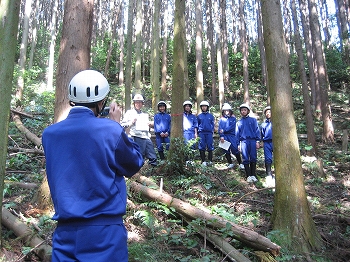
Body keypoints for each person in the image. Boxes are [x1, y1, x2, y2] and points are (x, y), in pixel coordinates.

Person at [42, 70, 144, 262]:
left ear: (72, 99)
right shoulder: (110, 130)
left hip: (65, 232)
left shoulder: (50, 134)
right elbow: (133, 163)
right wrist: (118, 125)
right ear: (101, 103)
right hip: (104, 232)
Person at [121, 94, 158, 167]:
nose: (138, 104)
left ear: (142, 103)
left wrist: (150, 124)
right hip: (136, 136)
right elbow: (123, 125)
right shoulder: (129, 113)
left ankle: (153, 171)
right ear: (134, 103)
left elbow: (148, 126)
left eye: (140, 102)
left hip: (146, 136)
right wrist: (131, 122)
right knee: (140, 155)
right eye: (136, 102)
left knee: (152, 155)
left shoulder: (144, 114)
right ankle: (138, 172)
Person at [236, 103, 260, 182]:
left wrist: (257, 141)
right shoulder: (239, 122)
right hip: (244, 142)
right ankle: (248, 175)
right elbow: (237, 134)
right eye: (242, 110)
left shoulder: (253, 120)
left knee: (253, 157)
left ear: (248, 111)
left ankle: (253, 174)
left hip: (252, 141)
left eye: (245, 110)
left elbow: (257, 130)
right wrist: (238, 144)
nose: (243, 111)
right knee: (245, 158)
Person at [218, 103, 242, 168]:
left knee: (235, 149)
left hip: (232, 135)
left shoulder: (233, 119)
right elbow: (220, 129)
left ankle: (240, 163)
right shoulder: (221, 119)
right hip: (224, 136)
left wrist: (224, 130)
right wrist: (221, 136)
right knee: (226, 150)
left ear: (230, 111)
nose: (226, 112)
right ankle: (230, 163)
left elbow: (231, 127)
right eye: (225, 111)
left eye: (228, 110)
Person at [197, 101, 215, 166]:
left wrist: (212, 131)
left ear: (207, 107)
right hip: (201, 133)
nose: (204, 108)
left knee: (210, 146)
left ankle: (210, 160)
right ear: (201, 107)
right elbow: (197, 125)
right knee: (202, 146)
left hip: (209, 133)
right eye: (202, 106)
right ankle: (203, 160)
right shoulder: (199, 116)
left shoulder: (211, 116)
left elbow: (212, 124)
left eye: (205, 106)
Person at [261, 106, 274, 180]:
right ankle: (268, 174)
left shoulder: (276, 122)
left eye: (270, 112)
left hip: (276, 142)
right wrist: (262, 141)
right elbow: (262, 134)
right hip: (267, 143)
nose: (268, 113)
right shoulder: (263, 124)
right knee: (268, 158)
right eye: (267, 112)